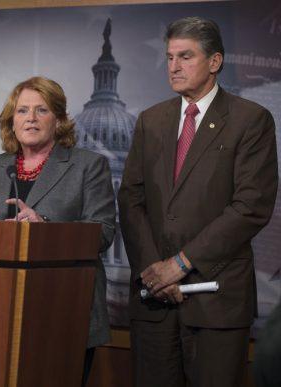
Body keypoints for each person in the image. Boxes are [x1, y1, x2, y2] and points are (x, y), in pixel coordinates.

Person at [118, 16, 278, 387]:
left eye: (185, 56)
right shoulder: (150, 120)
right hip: (153, 300)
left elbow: (250, 207)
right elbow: (131, 199)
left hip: (216, 303)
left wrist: (180, 264)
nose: (174, 66)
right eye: (170, 57)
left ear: (215, 62)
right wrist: (154, 271)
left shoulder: (250, 120)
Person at [0, 76, 116, 385]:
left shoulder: (88, 165)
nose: (30, 118)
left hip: (63, 311)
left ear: (58, 120)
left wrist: (44, 228)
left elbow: (103, 232)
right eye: (22, 111)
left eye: (41, 110)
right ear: (11, 121)